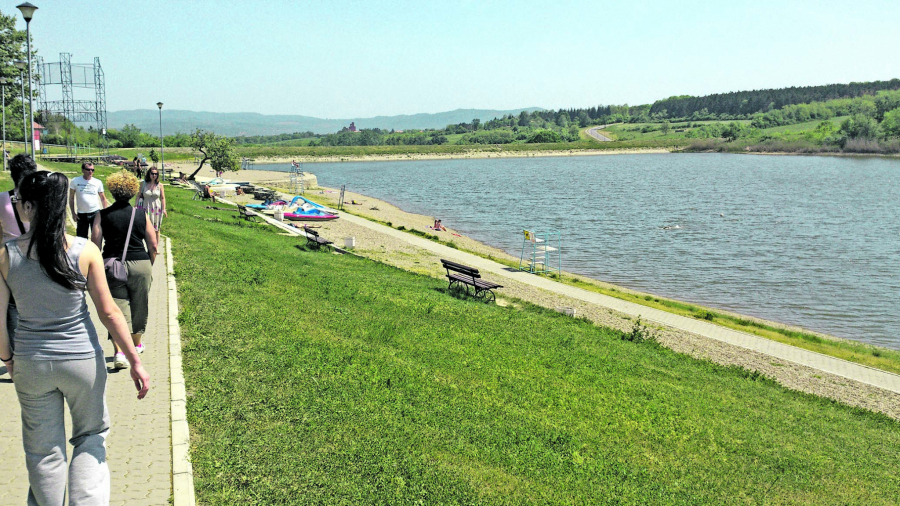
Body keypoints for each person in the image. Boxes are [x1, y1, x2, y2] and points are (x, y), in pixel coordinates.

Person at [0, 171, 149, 504]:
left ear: (27, 206)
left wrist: (8, 360)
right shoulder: (85, 250)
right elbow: (109, 312)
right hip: (82, 362)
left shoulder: (6, 255)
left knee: (42, 450)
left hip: (31, 362)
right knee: (90, 437)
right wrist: (135, 361)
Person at [102, 171, 158, 369]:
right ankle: (136, 344)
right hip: (140, 264)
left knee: (117, 309)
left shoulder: (102, 215)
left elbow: (94, 244)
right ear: (134, 192)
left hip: (112, 265)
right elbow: (153, 246)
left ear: (112, 190)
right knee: (139, 303)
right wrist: (148, 265)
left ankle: (119, 352)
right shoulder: (141, 214)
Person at [0, 154, 37, 350]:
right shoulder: (39, 199)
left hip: (10, 257)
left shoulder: (1, 199)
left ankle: (16, 350)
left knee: (12, 306)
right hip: (37, 254)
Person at [68, 162, 108, 248]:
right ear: (83, 170)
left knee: (97, 238)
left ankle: (96, 255)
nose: (90, 172)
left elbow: (103, 198)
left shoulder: (97, 182)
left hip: (95, 213)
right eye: (88, 170)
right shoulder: (75, 181)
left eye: (92, 170)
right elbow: (71, 198)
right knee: (81, 239)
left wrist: (105, 213)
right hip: (81, 214)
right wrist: (73, 213)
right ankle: (82, 257)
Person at [137, 167, 167, 242]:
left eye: (156, 174)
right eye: (152, 173)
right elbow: (139, 195)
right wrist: (135, 205)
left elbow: (162, 198)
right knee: (146, 229)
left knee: (157, 229)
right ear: (149, 174)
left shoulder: (160, 185)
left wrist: (164, 209)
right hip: (145, 208)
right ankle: (148, 246)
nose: (154, 175)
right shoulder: (143, 184)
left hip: (156, 209)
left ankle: (156, 247)